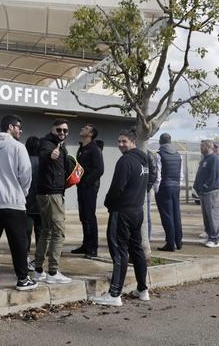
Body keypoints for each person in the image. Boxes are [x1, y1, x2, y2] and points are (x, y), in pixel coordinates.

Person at [89, 129, 150, 307]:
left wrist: (109, 203)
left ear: (132, 142)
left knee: (119, 251)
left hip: (122, 212)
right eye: (119, 141)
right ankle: (143, 289)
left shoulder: (126, 161)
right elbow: (149, 180)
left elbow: (117, 187)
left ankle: (114, 294)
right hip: (137, 211)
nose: (120, 144)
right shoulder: (144, 160)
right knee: (136, 249)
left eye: (124, 141)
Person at [0, 114, 37, 292]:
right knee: (18, 242)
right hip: (13, 203)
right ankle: (22, 279)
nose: (20, 130)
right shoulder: (18, 147)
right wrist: (22, 193)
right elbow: (26, 175)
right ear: (10, 127)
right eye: (19, 127)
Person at [33, 118, 72, 283]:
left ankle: (38, 270)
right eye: (59, 130)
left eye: (65, 130)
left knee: (46, 232)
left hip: (48, 193)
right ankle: (53, 272)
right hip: (51, 194)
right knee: (58, 232)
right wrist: (51, 155)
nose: (62, 133)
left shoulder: (59, 145)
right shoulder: (47, 143)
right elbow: (44, 155)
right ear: (52, 129)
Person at [72, 124, 104, 258]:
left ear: (90, 134)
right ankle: (86, 245)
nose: (82, 129)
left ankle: (93, 248)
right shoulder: (82, 148)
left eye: (85, 128)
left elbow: (99, 170)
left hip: (90, 188)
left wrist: (85, 182)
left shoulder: (94, 149)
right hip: (82, 187)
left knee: (90, 217)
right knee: (83, 217)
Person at [156, 133, 183, 251]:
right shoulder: (178, 155)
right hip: (176, 187)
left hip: (164, 188)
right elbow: (181, 174)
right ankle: (179, 241)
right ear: (170, 141)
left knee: (167, 216)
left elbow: (158, 176)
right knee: (176, 214)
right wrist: (178, 185)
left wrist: (156, 190)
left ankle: (170, 243)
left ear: (160, 142)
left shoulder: (159, 155)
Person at [194, 140, 219, 248]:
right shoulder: (204, 159)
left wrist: (206, 186)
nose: (200, 148)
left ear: (208, 147)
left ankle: (215, 239)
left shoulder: (214, 158)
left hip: (211, 192)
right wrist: (196, 187)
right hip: (203, 193)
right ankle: (210, 236)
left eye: (202, 146)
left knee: (213, 215)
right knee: (207, 216)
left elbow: (214, 175)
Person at [24, 136, 42, 263]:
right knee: (40, 232)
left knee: (26, 232)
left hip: (26, 202)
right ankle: (39, 258)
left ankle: (25, 256)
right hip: (41, 202)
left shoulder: (25, 161)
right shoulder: (43, 161)